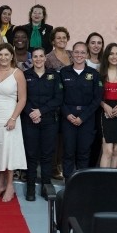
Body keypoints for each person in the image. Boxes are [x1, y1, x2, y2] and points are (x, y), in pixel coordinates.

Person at [0, 43, 28, 202]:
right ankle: (0, 184)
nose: (3, 58)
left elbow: (23, 98)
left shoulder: (17, 73)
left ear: (12, 56)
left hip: (10, 116)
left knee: (9, 151)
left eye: (6, 55)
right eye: (0, 55)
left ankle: (10, 185)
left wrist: (13, 118)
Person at [22, 46, 62, 201]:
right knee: (31, 155)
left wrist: (41, 111)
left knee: (47, 155)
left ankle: (46, 186)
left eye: (41, 56)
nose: (38, 59)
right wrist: (32, 113)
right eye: (35, 56)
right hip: (29, 119)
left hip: (49, 121)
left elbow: (58, 98)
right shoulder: (25, 75)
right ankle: (30, 187)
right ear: (32, 59)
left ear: (46, 58)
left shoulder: (54, 76)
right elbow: (21, 97)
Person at [59, 42, 103, 177]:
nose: (79, 55)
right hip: (68, 118)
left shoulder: (94, 74)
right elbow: (58, 97)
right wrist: (67, 115)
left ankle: (81, 184)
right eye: (76, 52)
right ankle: (68, 183)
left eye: (82, 52)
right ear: (72, 54)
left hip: (87, 119)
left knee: (84, 153)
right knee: (68, 152)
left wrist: (82, 117)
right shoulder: (63, 72)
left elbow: (97, 99)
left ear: (87, 55)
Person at [45, 26, 73, 180]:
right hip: (55, 101)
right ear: (53, 41)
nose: (62, 40)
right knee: (54, 137)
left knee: (65, 136)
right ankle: (53, 167)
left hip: (71, 100)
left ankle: (63, 164)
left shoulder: (72, 55)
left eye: (64, 37)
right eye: (58, 38)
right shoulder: (48, 58)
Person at [85, 32, 106, 166]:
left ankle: (92, 168)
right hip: (85, 107)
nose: (96, 45)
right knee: (85, 140)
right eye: (93, 42)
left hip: (101, 107)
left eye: (99, 43)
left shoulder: (105, 63)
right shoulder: (82, 61)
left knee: (98, 140)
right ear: (88, 44)